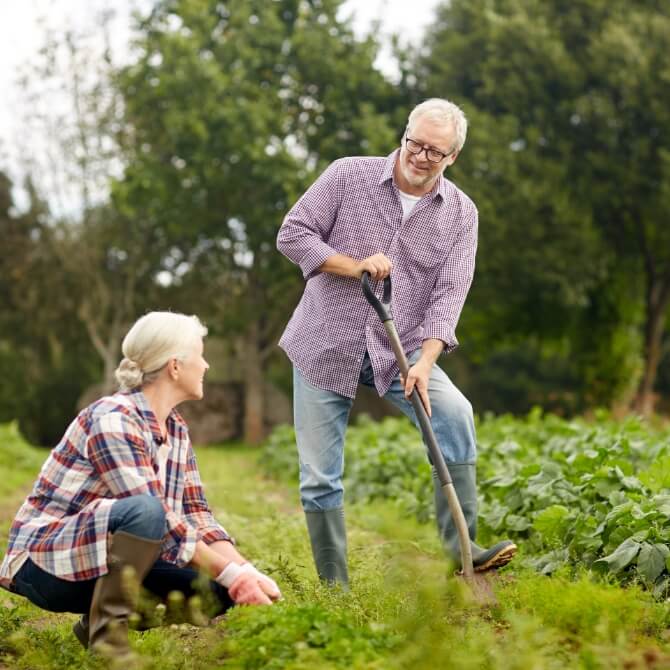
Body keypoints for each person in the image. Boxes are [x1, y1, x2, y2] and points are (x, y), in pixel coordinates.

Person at [276, 98, 517, 586]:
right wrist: (355, 264)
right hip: (326, 340)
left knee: (454, 414)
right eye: (416, 143)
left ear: (453, 157)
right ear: (405, 135)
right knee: (321, 475)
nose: (421, 155)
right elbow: (292, 234)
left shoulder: (461, 214)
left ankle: (464, 549)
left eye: (436, 151)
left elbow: (450, 294)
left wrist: (426, 362)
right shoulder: (348, 175)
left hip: (401, 349)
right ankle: (335, 590)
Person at [0, 311, 280, 660]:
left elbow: (196, 515)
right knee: (148, 511)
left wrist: (245, 574)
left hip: (98, 559)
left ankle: (95, 620)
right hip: (45, 564)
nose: (206, 365)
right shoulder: (113, 420)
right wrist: (233, 574)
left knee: (217, 591)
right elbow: (155, 514)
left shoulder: (176, 430)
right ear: (175, 367)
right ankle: (108, 642)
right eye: (200, 354)